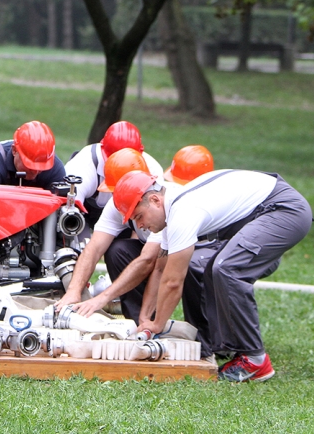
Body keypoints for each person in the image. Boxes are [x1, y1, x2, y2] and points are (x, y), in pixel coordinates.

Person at [112, 169, 312, 382]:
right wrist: (147, 318)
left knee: (226, 268)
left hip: (283, 210)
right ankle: (223, 347)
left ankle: (255, 360)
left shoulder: (183, 212)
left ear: (155, 200)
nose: (140, 225)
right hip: (263, 212)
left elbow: (173, 282)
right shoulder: (172, 213)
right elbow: (161, 269)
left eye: (139, 216)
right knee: (210, 267)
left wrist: (158, 325)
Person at [55, 148, 220, 359]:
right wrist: (74, 291)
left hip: (189, 252)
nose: (114, 195)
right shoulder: (123, 201)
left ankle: (205, 340)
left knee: (185, 267)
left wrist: (102, 299)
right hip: (157, 254)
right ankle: (139, 325)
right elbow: (95, 247)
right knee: (118, 251)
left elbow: (152, 262)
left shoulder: (163, 203)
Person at [65, 121, 163, 233]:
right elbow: (68, 211)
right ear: (102, 150)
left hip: (128, 223)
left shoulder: (152, 171)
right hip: (83, 218)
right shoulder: (83, 165)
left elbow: (151, 220)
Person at [0, 121, 66, 189]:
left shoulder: (54, 168)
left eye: (41, 167)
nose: (36, 171)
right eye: (30, 165)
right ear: (14, 151)